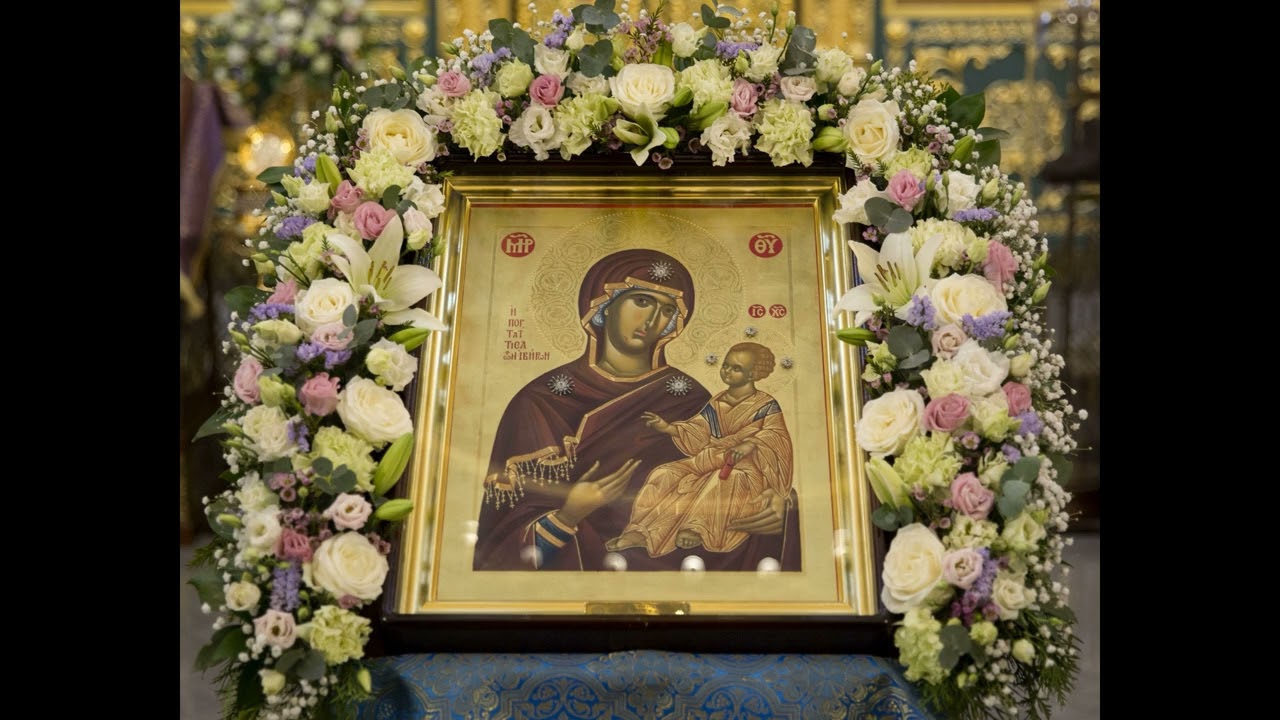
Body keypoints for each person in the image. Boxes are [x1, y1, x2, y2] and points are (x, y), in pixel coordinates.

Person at [473, 249, 801, 571]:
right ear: (603, 305)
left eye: (667, 309)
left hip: (682, 573)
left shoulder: (691, 398)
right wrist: (568, 515)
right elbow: (496, 539)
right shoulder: (539, 401)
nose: (653, 320)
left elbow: (744, 462)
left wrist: (777, 503)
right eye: (641, 301)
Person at [605, 342, 794, 558]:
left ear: (753, 374)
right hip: (709, 459)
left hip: (745, 468)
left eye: (736, 368)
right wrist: (668, 428)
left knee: (723, 480)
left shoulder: (766, 405)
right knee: (664, 474)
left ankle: (697, 528)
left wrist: (751, 443)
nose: (727, 371)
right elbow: (699, 429)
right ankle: (642, 532)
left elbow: (776, 437)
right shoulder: (718, 401)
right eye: (726, 365)